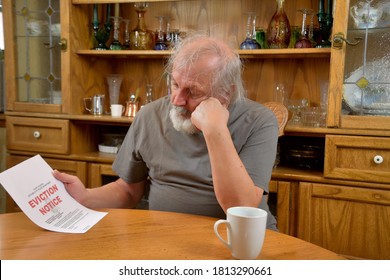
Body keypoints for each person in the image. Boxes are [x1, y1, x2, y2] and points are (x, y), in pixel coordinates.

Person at [53, 33, 279, 230]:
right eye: (174, 84)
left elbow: (240, 207)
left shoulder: (259, 121)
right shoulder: (149, 115)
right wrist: (85, 197)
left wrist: (215, 128)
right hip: (165, 238)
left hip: (239, 241)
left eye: (193, 91)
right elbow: (128, 190)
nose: (176, 100)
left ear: (225, 94)